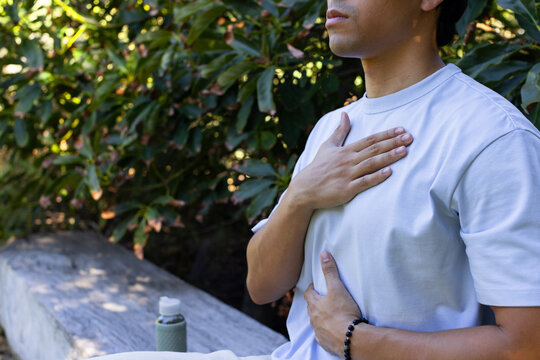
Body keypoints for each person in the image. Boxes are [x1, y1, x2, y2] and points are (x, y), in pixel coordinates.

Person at [246, 0, 540, 359]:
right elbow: (261, 285)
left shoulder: (492, 137)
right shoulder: (333, 128)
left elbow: (527, 345)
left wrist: (353, 339)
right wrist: (300, 195)